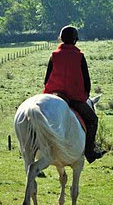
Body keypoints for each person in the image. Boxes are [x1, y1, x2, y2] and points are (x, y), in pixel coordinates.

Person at [43, 25, 104, 163]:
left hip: (54, 94)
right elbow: (86, 80)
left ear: (61, 39)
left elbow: (46, 79)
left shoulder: (53, 56)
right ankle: (89, 152)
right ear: (75, 40)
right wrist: (85, 95)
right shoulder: (80, 57)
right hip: (73, 98)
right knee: (93, 120)